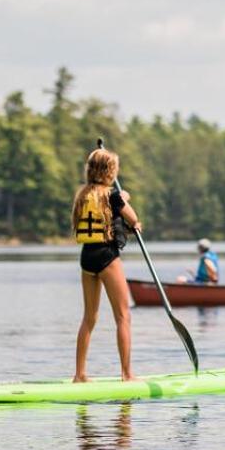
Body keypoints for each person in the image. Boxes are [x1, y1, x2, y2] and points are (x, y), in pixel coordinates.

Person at [72, 146, 141, 383]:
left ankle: (80, 374)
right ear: (110, 170)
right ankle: (127, 374)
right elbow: (133, 219)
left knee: (89, 318)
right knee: (123, 317)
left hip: (87, 256)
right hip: (107, 256)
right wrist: (125, 200)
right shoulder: (112, 196)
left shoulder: (82, 194)